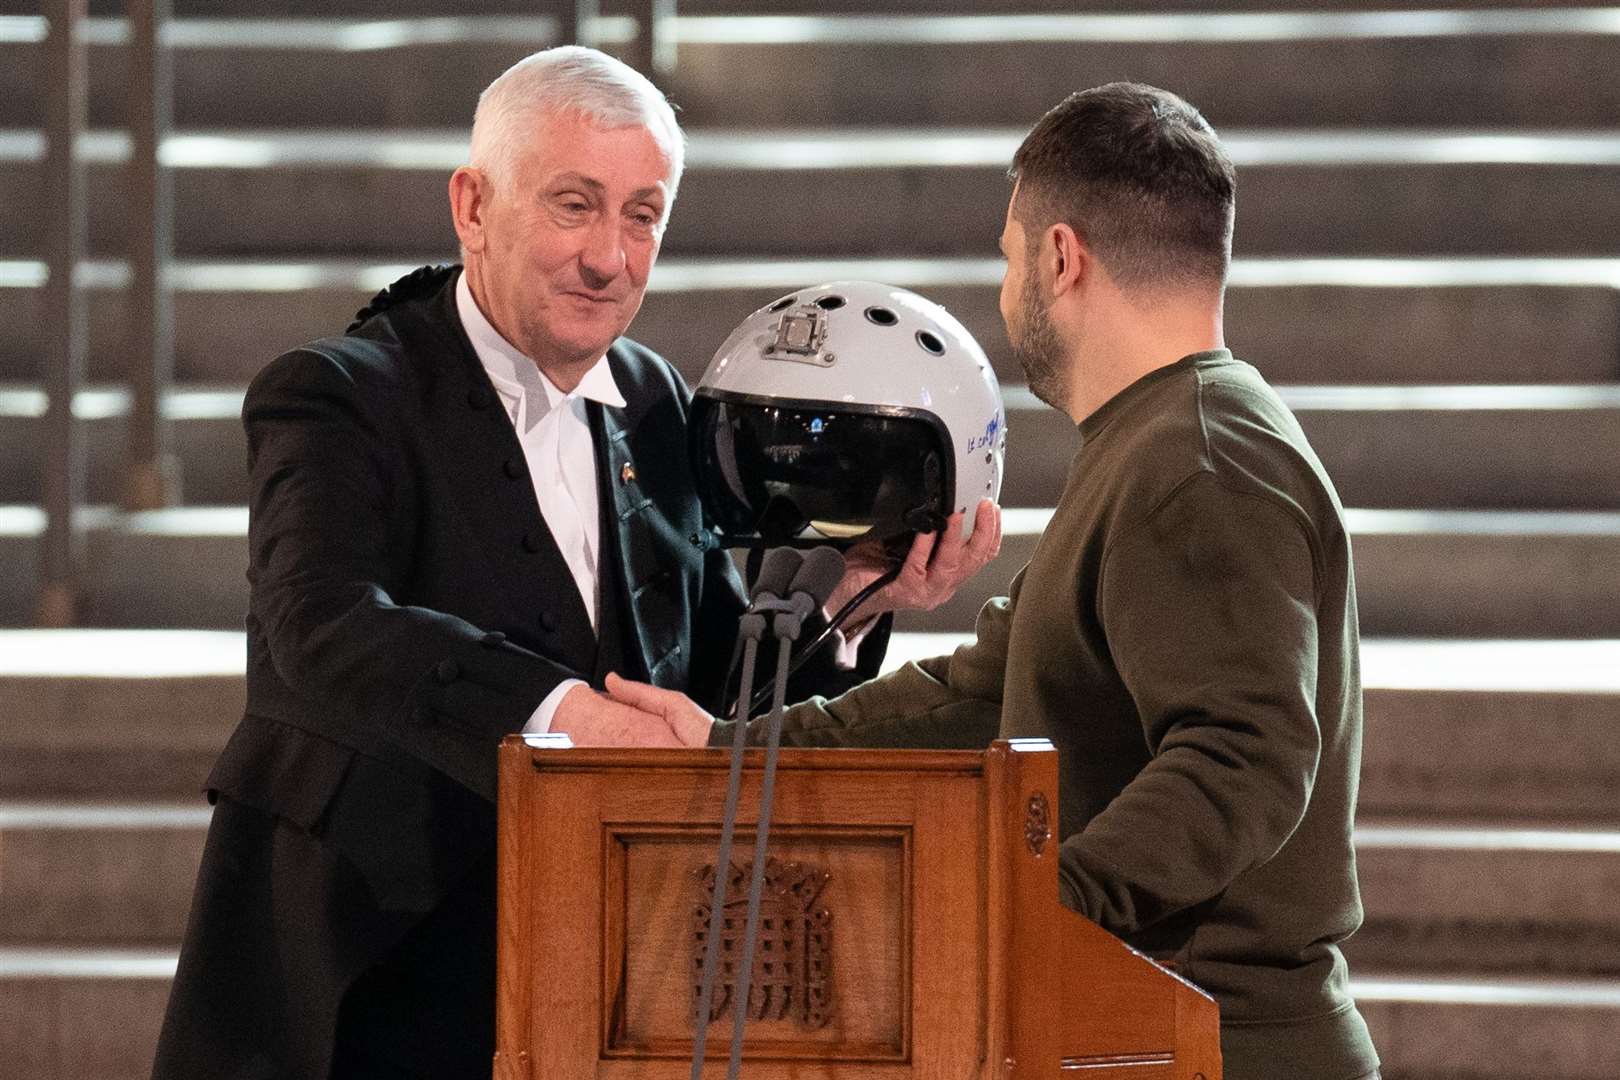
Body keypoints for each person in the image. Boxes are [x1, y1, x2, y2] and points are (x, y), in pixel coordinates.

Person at [151, 47, 998, 1080]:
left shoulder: (654, 399)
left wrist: (858, 598)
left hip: (610, 974)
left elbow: (712, 684)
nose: (609, 256)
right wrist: (560, 715)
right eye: (573, 205)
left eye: (642, 215)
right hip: (367, 975)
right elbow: (321, 621)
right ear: (472, 205)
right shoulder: (336, 394)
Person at [609, 83, 1382, 1080]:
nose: (1008, 291)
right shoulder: (1161, 442)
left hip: (1212, 1041)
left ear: (1063, 257)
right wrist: (729, 747)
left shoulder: (1197, 460)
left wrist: (1030, 904)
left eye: (1011, 259)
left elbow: (1246, 756)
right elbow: (978, 695)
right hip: (1145, 1032)